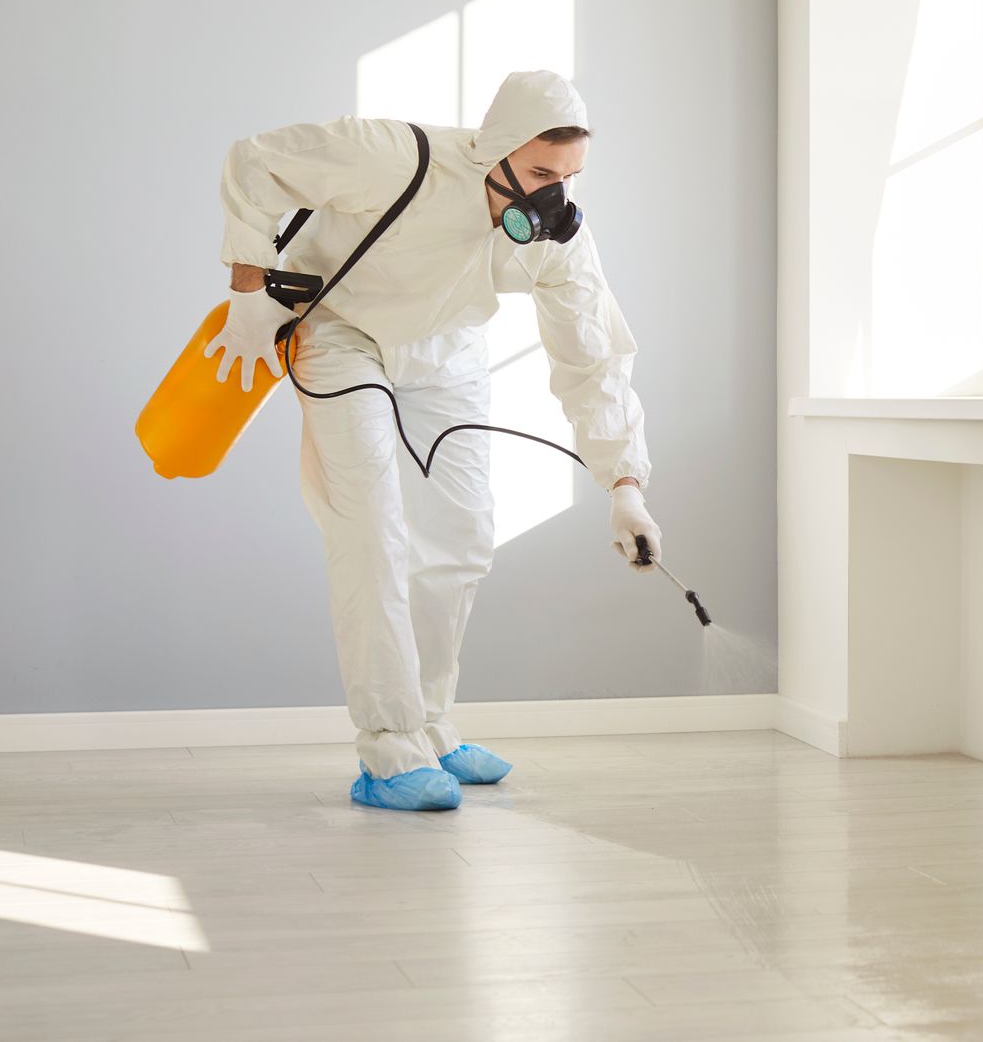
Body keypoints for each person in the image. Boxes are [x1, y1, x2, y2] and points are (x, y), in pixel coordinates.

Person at [204, 69, 661, 812]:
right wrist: (247, 291)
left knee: (462, 537)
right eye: (542, 172)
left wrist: (625, 488)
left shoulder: (557, 243)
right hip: (341, 334)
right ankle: (388, 751)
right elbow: (254, 161)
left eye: (571, 177)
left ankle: (432, 727)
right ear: (497, 149)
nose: (557, 196)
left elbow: (594, 361)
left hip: (446, 351)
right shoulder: (396, 158)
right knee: (372, 532)